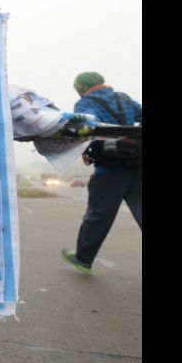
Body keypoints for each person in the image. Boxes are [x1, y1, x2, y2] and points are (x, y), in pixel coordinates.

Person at [60, 71, 142, 273]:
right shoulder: (123, 98)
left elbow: (84, 131)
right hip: (137, 165)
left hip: (109, 169)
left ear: (80, 88)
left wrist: (86, 152)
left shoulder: (85, 104)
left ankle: (83, 259)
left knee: (98, 216)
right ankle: (83, 258)